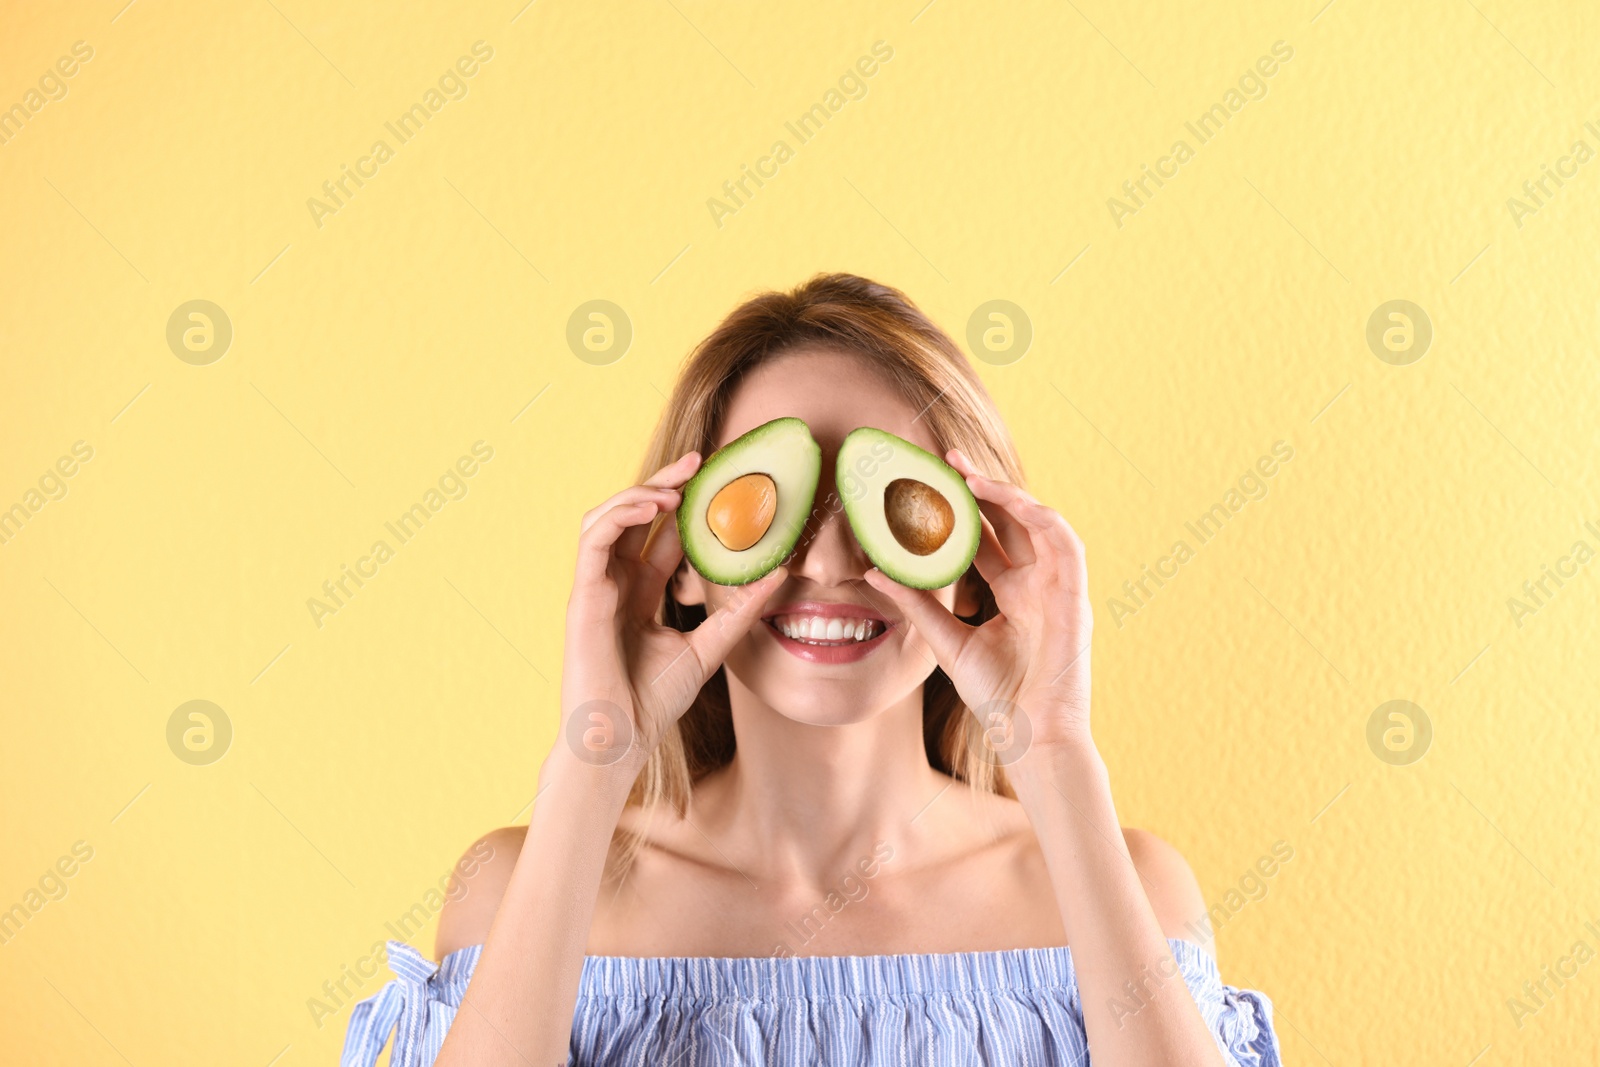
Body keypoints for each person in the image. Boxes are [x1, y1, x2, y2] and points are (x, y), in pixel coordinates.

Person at [341, 273, 1281, 1066]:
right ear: (677, 556)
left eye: (896, 503)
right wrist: (594, 761)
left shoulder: (1135, 889)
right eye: (765, 507)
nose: (829, 563)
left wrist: (1056, 752)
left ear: (974, 557)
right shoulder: (514, 887)